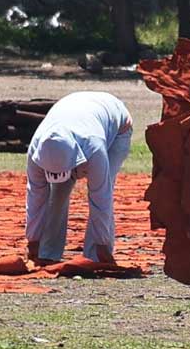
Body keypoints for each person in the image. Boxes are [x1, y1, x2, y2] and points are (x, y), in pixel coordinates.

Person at [25, 91, 132, 265]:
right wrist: (32, 241)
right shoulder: (36, 152)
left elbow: (100, 197)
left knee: (105, 187)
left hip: (117, 127)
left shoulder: (94, 148)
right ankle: (47, 254)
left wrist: (103, 245)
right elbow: (35, 197)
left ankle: (95, 257)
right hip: (76, 109)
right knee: (57, 193)